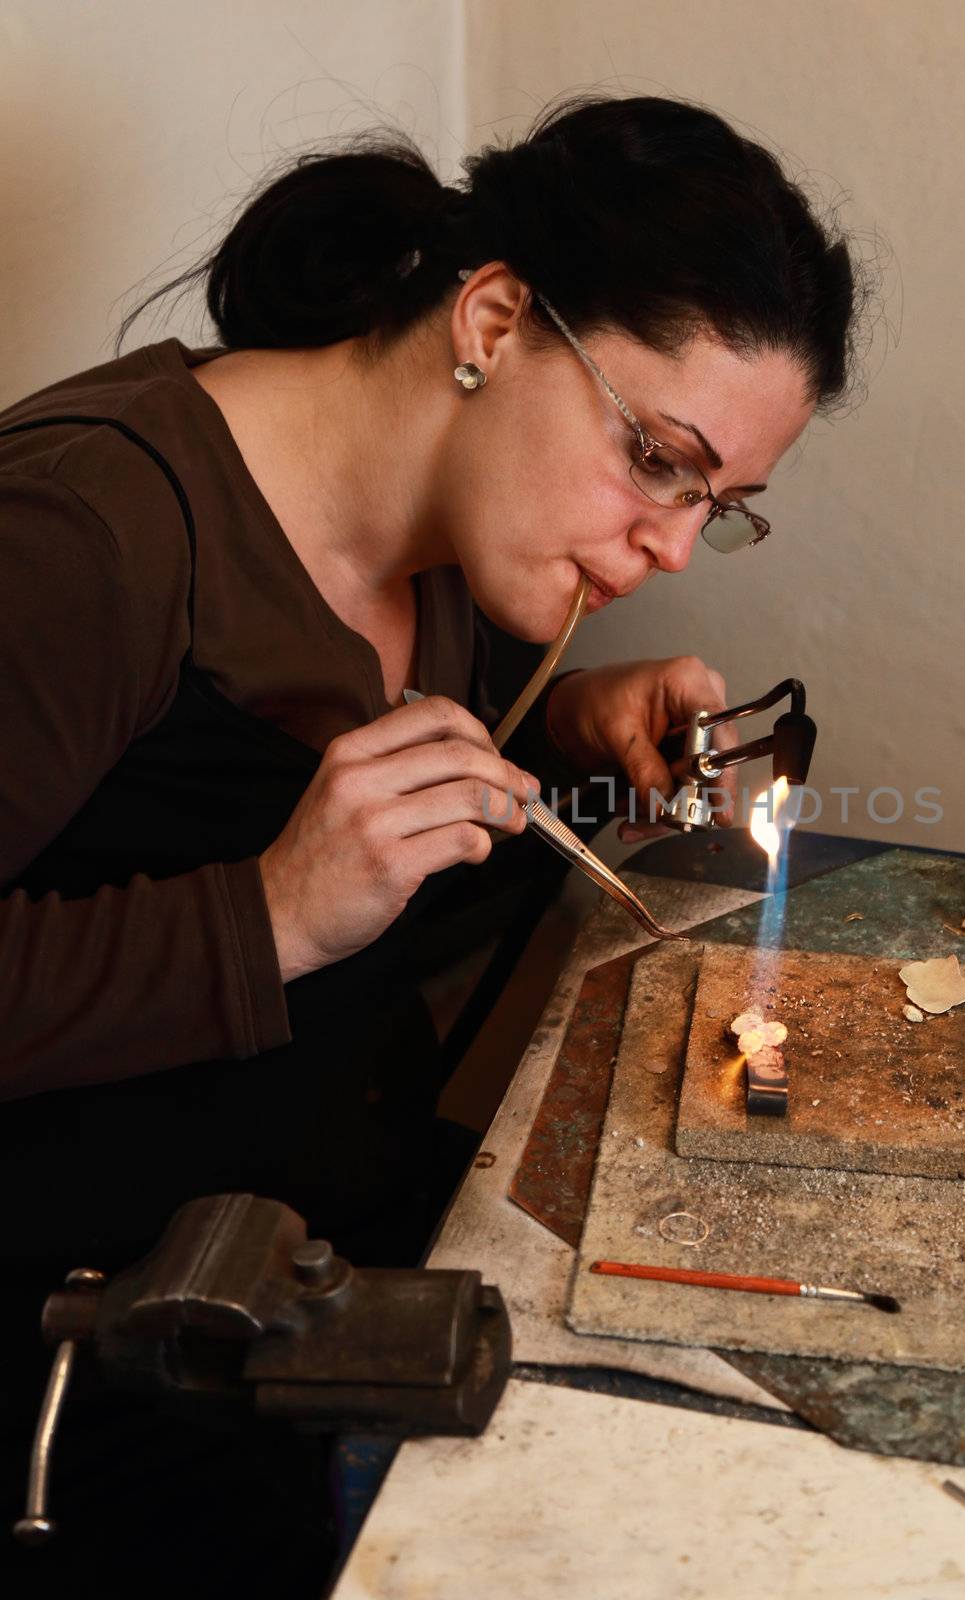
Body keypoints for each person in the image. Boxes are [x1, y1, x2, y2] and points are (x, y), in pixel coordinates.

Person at [0, 93, 858, 1593]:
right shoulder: (79, 536)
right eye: (660, 458)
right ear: (495, 318)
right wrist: (265, 913)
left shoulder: (453, 546)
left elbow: (249, 788)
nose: (669, 544)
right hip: (74, 1398)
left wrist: (562, 738)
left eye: (718, 506)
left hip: (293, 1307)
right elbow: (261, 864)